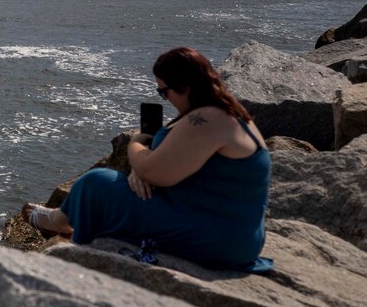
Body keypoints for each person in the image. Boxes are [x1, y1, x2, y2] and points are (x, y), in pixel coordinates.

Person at [23, 47, 272, 272]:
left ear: (184, 87)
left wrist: (136, 146)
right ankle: (60, 220)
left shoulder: (205, 120)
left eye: (163, 92)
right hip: (232, 233)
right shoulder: (230, 114)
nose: (166, 98)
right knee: (111, 185)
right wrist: (139, 171)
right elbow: (177, 166)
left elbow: (156, 173)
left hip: (216, 238)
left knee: (96, 183)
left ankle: (57, 221)